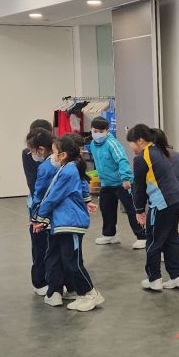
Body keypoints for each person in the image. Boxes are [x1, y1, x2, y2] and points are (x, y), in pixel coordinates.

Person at [32, 133, 103, 312]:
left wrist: (38, 217)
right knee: (68, 259)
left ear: (63, 155)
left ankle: (90, 293)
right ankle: (82, 294)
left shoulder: (68, 171)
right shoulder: (68, 169)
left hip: (70, 222)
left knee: (73, 262)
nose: (53, 156)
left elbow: (52, 196)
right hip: (64, 221)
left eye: (55, 152)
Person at [127, 124, 179, 291]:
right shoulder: (158, 150)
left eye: (131, 142)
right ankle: (177, 276)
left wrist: (139, 210)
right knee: (170, 237)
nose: (130, 146)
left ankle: (154, 279)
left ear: (140, 141)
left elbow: (139, 187)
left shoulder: (142, 158)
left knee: (153, 240)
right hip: (176, 199)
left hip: (162, 204)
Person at [88, 117, 147, 249]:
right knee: (106, 209)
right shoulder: (92, 144)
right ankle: (110, 235)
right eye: (95, 131)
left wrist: (125, 178)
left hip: (122, 183)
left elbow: (122, 160)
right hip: (106, 184)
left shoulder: (112, 143)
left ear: (107, 131)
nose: (97, 134)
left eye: (101, 131)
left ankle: (143, 236)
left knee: (132, 209)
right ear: (91, 129)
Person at [26, 128, 57, 296]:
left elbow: (39, 194)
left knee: (49, 248)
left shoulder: (47, 166)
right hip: (47, 213)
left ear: (41, 149)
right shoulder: (53, 164)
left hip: (49, 214)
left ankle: (52, 282)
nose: (30, 154)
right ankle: (42, 282)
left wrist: (36, 217)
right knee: (43, 248)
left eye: (32, 151)